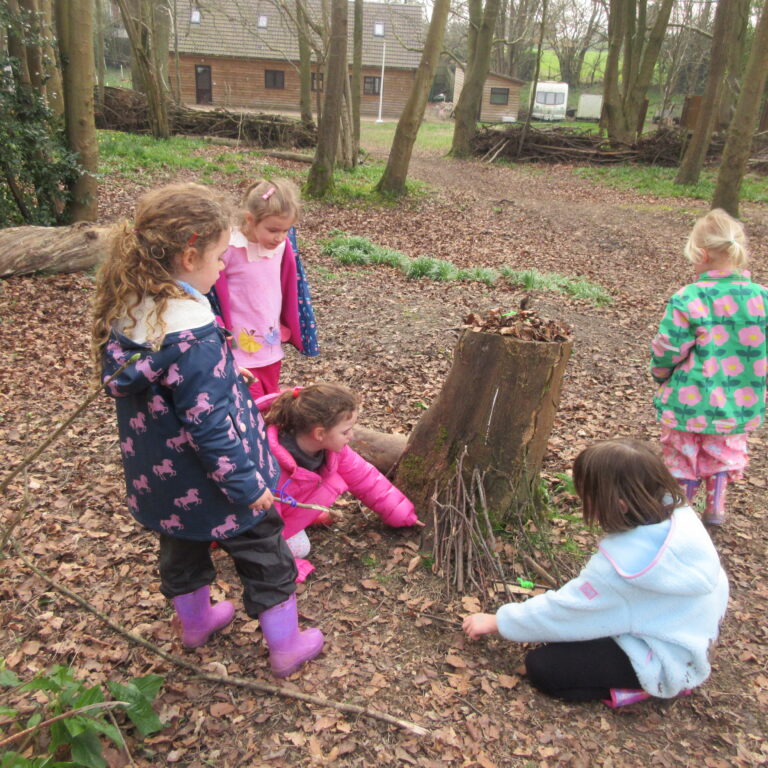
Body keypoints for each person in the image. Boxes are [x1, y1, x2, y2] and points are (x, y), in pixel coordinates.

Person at [91, 182, 323, 678]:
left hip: (164, 480)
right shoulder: (192, 330)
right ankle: (286, 647)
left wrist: (226, 372)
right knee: (265, 553)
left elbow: (170, 386)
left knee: (182, 546)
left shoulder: (135, 311)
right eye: (219, 257)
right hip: (220, 483)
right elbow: (209, 425)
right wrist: (247, 487)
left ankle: (196, 624)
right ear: (189, 256)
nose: (222, 267)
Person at [463, 439, 728, 707]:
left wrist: (498, 621)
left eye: (588, 498)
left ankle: (647, 689)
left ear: (620, 506)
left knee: (543, 667)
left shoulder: (625, 569)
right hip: (692, 635)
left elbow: (568, 609)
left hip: (663, 658)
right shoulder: (680, 517)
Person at [650, 208, 768, 525]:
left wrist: (660, 371)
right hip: (739, 400)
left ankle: (682, 513)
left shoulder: (690, 297)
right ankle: (715, 508)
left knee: (682, 452)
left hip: (690, 398)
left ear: (702, 255)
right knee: (724, 450)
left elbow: (669, 345)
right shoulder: (762, 298)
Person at [258, 384, 424, 582]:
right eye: (345, 431)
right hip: (253, 521)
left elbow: (365, 478)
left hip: (289, 505)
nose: (351, 436)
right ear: (320, 434)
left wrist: (403, 514)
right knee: (301, 548)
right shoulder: (271, 469)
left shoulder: (333, 451)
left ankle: (302, 516)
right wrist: (287, 567)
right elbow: (263, 524)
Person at [210, 178, 319, 400]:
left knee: (270, 399)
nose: (280, 237)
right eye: (273, 230)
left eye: (286, 230)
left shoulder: (282, 246)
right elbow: (212, 291)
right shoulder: (230, 247)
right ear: (250, 219)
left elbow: (287, 285)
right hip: (238, 349)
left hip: (270, 346)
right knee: (250, 404)